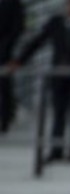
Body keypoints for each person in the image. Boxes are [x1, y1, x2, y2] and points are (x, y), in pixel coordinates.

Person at [7, 0, 70, 161]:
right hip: (59, 77)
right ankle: (56, 150)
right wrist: (20, 60)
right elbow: (37, 42)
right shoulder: (56, 24)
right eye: (69, 6)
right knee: (59, 115)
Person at [0, 0, 24, 134]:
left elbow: (18, 28)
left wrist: (6, 47)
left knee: (4, 86)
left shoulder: (14, 3)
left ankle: (5, 120)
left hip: (4, 53)